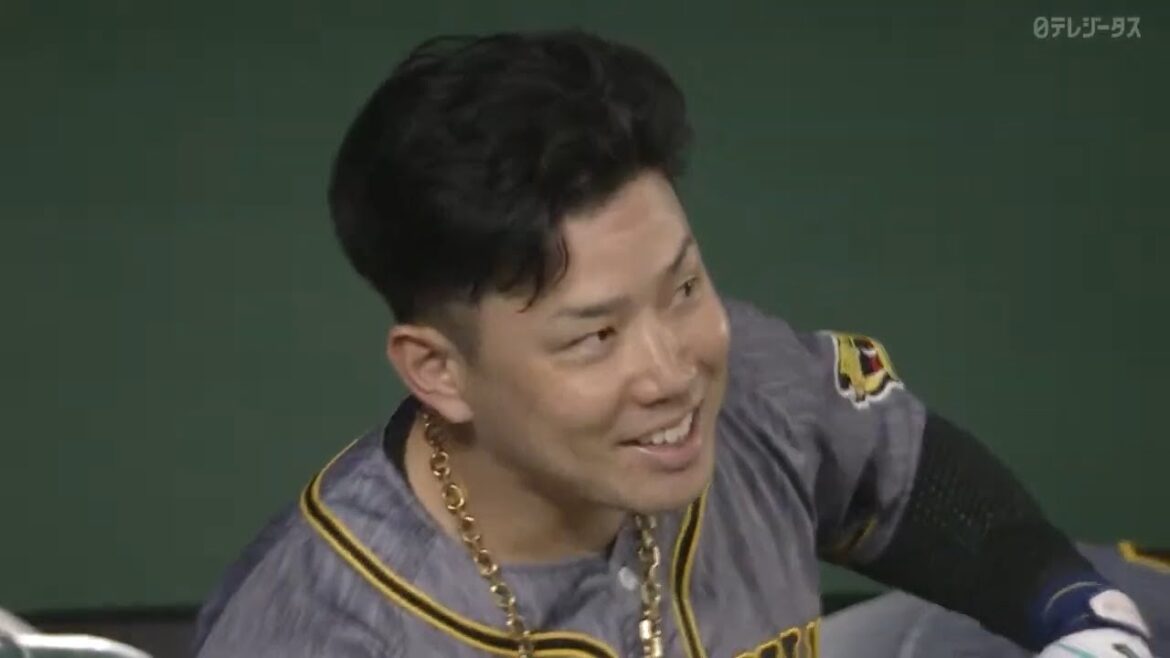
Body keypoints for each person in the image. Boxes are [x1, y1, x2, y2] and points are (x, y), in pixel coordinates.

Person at [193, 29, 1155, 657]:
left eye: (684, 287)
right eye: (594, 336)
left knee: (1132, 603)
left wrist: (1080, 619)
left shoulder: (751, 385)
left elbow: (916, 489)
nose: (675, 371)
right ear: (439, 371)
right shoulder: (321, 627)